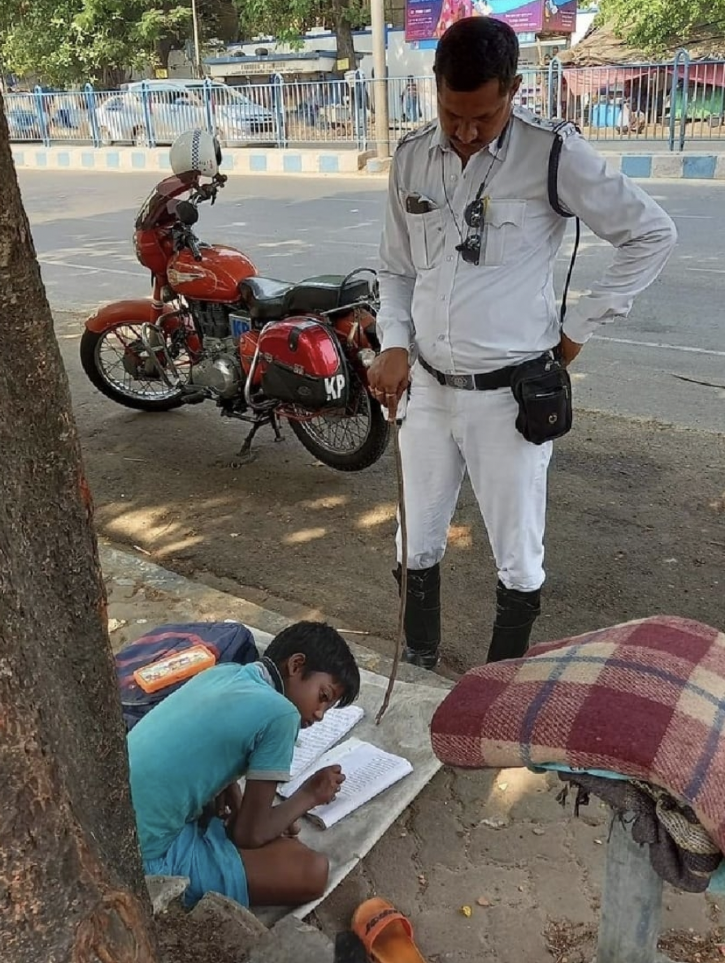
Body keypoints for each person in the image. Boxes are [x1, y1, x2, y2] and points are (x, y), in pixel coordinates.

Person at [368, 17, 677, 670]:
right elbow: (395, 268)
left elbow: (649, 232)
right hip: (425, 387)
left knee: (517, 552)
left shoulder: (551, 152)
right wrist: (393, 340)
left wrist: (579, 327)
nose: (466, 132)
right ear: (435, 87)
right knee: (413, 539)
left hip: (508, 397)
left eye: (482, 115)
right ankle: (418, 662)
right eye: (453, 114)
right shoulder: (410, 156)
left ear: (512, 88)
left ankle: (499, 682)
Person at [127, 621, 360, 908]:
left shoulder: (224, 672)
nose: (320, 714)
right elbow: (249, 835)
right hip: (139, 858)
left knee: (271, 835)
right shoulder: (282, 715)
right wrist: (309, 795)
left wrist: (231, 791)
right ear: (296, 665)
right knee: (310, 870)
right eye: (322, 697)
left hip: (113, 822)